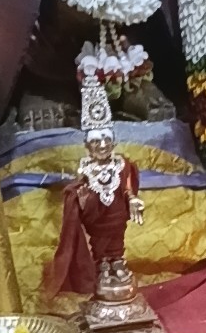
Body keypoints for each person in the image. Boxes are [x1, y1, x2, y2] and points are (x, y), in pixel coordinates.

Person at [45, 77, 145, 299]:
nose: (102, 146)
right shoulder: (86, 168)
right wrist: (81, 200)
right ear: (87, 146)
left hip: (116, 215)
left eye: (106, 141)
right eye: (96, 142)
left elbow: (127, 184)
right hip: (96, 218)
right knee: (99, 243)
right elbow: (77, 189)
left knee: (116, 240)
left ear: (113, 142)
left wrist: (132, 198)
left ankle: (117, 262)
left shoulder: (122, 164)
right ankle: (103, 265)